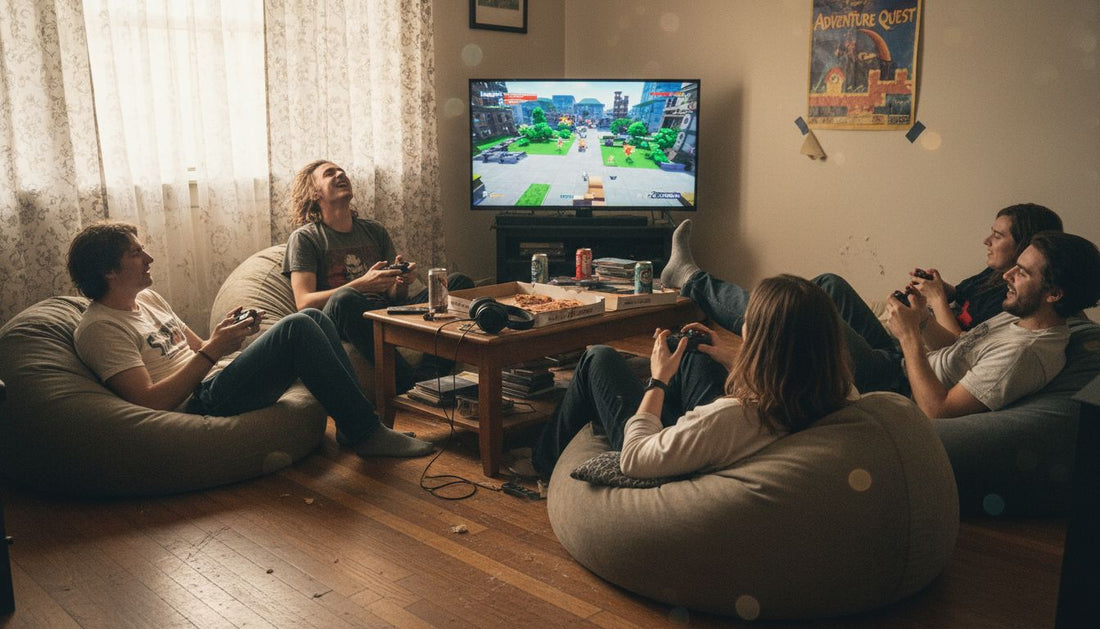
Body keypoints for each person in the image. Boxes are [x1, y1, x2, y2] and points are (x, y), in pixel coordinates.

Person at [659, 220, 1100, 420]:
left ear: (1055, 294)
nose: (1006, 275)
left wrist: (909, 337)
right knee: (827, 285)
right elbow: (954, 351)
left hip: (895, 389)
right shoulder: (1021, 318)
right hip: (905, 363)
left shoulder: (1025, 355)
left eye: (1021, 272)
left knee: (796, 311)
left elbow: (936, 410)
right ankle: (759, 353)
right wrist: (921, 319)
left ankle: (692, 280)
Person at [68, 222, 434, 459]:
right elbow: (152, 402)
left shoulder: (147, 298)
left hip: (215, 377)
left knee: (313, 317)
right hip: (196, 403)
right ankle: (365, 432)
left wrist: (226, 334)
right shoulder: (101, 329)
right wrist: (215, 349)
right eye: (136, 253)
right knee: (299, 326)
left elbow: (198, 348)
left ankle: (359, 427)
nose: (148, 258)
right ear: (109, 271)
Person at [529, 274, 855, 481]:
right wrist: (732, 358)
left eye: (747, 323)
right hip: (715, 440)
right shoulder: (841, 394)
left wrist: (658, 380)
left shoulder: (729, 417)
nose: (741, 327)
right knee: (694, 351)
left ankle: (543, 464)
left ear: (761, 342)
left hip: (666, 459)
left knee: (597, 358)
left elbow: (635, 458)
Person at [282, 159, 474, 393]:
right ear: (314, 192)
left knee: (457, 282)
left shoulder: (374, 230)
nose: (340, 174)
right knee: (346, 298)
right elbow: (304, 302)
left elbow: (394, 295)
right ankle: (407, 384)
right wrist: (360, 285)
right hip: (341, 316)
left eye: (342, 170)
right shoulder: (305, 238)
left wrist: (401, 281)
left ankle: (430, 374)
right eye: (329, 173)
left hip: (384, 311)